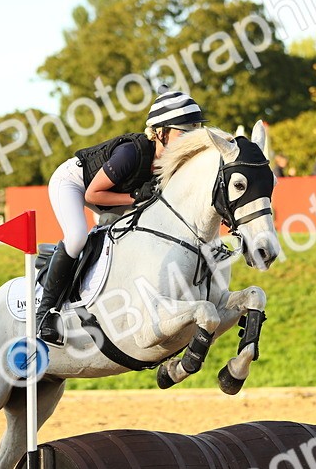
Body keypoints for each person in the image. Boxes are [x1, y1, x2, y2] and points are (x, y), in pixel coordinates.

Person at [37, 88, 208, 344]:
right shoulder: (132, 153)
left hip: (114, 195)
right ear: (160, 132)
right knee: (76, 238)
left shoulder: (173, 162)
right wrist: (136, 198)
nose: (192, 137)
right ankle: (45, 313)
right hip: (76, 184)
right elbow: (93, 195)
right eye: (184, 131)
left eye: (195, 130)